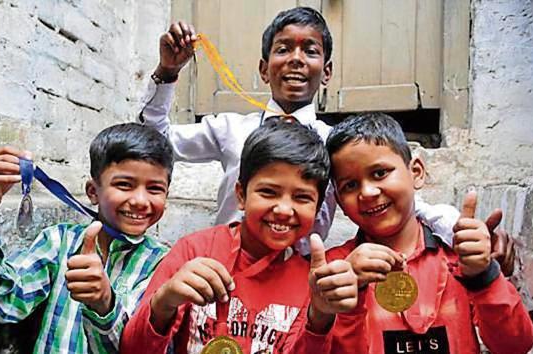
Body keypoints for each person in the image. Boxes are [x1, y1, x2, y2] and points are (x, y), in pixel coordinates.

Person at [137, 6, 461, 247]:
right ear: (264, 70)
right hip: (226, 271)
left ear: (327, 72)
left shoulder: (337, 145)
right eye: (283, 49)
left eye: (310, 50)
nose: (296, 59)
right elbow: (154, 144)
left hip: (299, 288)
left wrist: (457, 228)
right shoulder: (229, 129)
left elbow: (399, 199)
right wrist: (167, 72)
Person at [120, 121, 357, 354]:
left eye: (302, 197)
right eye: (268, 192)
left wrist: (320, 318)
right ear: (241, 195)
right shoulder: (195, 250)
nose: (284, 209)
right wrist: (164, 301)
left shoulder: (312, 284)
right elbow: (133, 348)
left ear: (317, 209)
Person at [323, 113, 533, 354]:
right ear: (339, 201)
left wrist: (484, 275)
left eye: (380, 173)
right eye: (350, 185)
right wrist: (353, 296)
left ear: (416, 172)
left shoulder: (458, 255)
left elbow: (515, 345)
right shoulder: (337, 269)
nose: (368, 192)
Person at [0, 123, 174, 353]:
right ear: (93, 192)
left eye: (154, 189)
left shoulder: (164, 264)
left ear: (167, 196)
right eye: (124, 185)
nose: (140, 200)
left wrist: (104, 304)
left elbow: (141, 347)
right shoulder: (60, 242)